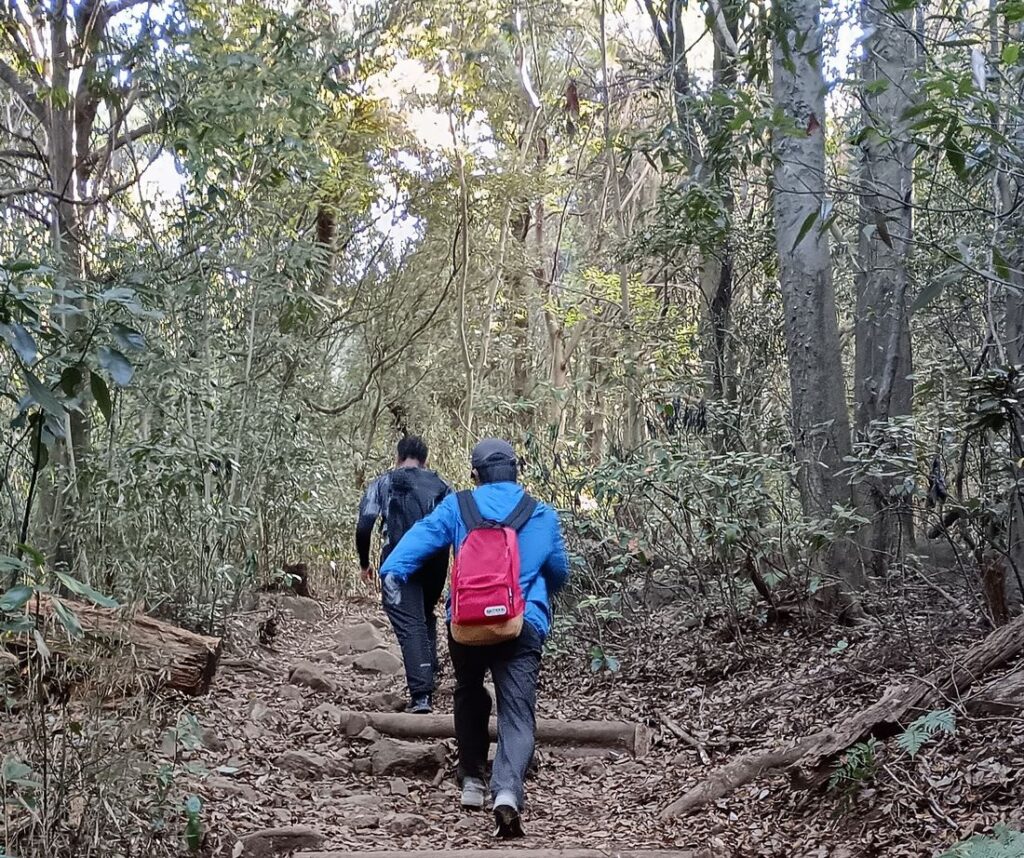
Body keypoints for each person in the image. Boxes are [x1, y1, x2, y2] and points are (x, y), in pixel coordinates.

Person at [379, 438, 569, 839]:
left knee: (468, 690)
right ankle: (507, 792)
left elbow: (417, 541)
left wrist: (392, 571)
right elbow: (559, 574)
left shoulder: (458, 506)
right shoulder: (541, 514)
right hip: (522, 623)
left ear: (475, 475)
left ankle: (471, 779)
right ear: (517, 471)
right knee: (517, 713)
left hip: (466, 623)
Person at [356, 435, 451, 714]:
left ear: (398, 457)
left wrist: (365, 564)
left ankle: (422, 696)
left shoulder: (383, 483)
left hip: (398, 559)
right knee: (422, 616)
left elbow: (364, 527)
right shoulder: (443, 485)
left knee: (410, 624)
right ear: (425, 459)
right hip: (435, 561)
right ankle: (429, 670)